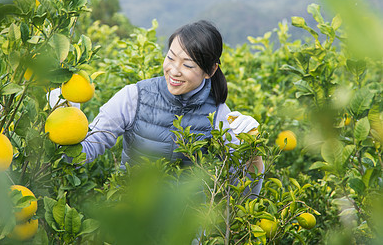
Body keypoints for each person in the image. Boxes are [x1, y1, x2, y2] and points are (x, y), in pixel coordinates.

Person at [50, 20, 263, 196]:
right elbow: (80, 157)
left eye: (188, 65)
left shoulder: (220, 117)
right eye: (170, 57)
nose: (174, 70)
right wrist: (65, 116)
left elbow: (242, 196)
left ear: (210, 70)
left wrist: (253, 151)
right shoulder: (134, 97)